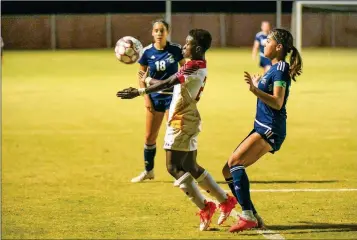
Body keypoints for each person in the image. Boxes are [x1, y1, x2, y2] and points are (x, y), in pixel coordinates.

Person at [117, 29, 237, 231]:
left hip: (181, 121)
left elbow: (171, 81)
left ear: (197, 48)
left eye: (188, 44)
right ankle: (225, 201)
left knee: (173, 167)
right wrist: (147, 80)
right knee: (190, 165)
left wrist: (140, 90)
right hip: (189, 117)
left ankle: (206, 207)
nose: (184, 46)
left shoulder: (191, 67)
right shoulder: (197, 66)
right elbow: (171, 84)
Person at [222, 28, 303, 233]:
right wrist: (259, 85)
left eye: (268, 41)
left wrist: (255, 90)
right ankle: (253, 215)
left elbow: (277, 102)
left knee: (235, 163)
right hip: (261, 125)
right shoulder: (273, 67)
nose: (264, 44)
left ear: (279, 47)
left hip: (271, 128)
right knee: (227, 170)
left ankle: (247, 215)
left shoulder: (281, 69)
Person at [131, 19, 186, 183]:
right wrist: (146, 98)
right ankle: (149, 171)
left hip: (173, 98)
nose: (159, 33)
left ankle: (179, 171)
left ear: (167, 32)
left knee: (173, 136)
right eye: (156, 30)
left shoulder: (175, 49)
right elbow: (141, 76)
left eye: (162, 30)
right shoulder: (147, 52)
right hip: (154, 98)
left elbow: (185, 70)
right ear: (152, 33)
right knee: (149, 136)